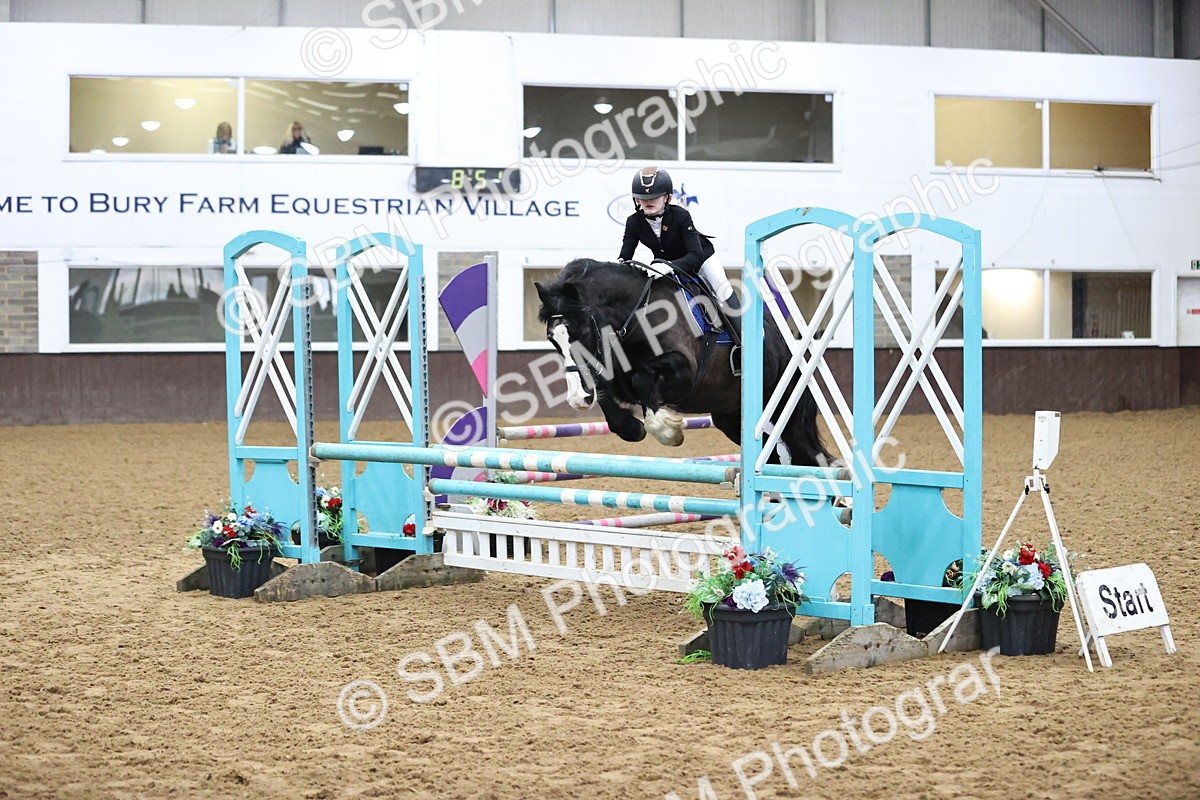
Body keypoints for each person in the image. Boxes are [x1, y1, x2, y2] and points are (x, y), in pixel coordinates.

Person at [618, 165, 741, 345]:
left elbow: (696, 255)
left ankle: (746, 343)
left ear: (667, 197)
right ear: (636, 200)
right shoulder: (633, 222)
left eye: (654, 197)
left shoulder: (681, 216)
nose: (648, 201)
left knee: (722, 289)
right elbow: (625, 258)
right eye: (643, 198)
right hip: (667, 267)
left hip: (701, 261)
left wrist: (667, 266)